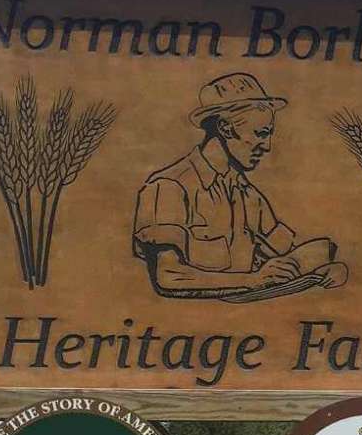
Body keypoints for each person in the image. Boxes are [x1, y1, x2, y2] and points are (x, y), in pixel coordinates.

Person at [131, 72, 348, 301]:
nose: (267, 146)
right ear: (225, 128)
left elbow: (291, 250)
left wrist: (327, 267)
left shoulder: (249, 196)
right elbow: (169, 277)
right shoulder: (168, 187)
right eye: (260, 134)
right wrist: (252, 280)